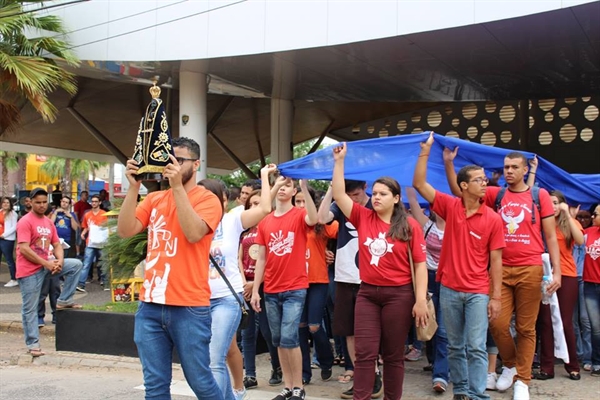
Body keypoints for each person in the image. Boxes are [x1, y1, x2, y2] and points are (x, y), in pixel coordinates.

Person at [444, 148, 560, 400]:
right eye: (506, 167)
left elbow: (551, 236)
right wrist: (449, 164)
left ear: (525, 170)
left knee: (526, 328)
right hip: (500, 268)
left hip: (530, 268)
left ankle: (523, 381)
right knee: (496, 323)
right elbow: (458, 191)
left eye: (514, 167)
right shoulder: (496, 194)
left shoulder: (539, 196)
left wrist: (557, 272)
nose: (509, 171)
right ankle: (510, 364)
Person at [117, 137, 224, 399]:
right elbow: (125, 230)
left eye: (179, 160)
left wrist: (177, 188)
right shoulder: (154, 199)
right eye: (168, 160)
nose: (171, 165)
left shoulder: (208, 199)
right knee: (154, 386)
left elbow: (193, 233)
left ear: (196, 164)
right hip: (150, 305)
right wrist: (133, 189)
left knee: (199, 381)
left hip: (188, 306)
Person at [330, 142, 429, 400]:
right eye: (374, 193)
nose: (376, 197)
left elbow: (420, 265)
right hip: (367, 294)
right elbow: (340, 196)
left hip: (399, 295)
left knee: (394, 355)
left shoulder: (409, 226)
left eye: (383, 194)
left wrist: (420, 300)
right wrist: (339, 162)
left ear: (396, 198)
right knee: (364, 353)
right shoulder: (363, 217)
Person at [414, 133, 505, 400]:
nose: (484, 183)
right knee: (454, 345)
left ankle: (477, 395)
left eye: (485, 180)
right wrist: (425, 151)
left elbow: (497, 261)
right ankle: (462, 392)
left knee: (475, 347)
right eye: (478, 180)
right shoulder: (450, 206)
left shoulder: (493, 219)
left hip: (478, 291)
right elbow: (419, 183)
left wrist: (496, 297)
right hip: (450, 289)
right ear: (463, 186)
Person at [200, 164, 278, 400]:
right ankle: (235, 393)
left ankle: (235, 390)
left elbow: (265, 207)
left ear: (224, 200)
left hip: (226, 298)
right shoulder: (192, 224)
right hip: (198, 300)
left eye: (212, 198)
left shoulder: (232, 219)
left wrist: (265, 177)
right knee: (220, 353)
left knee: (215, 357)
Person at [250, 177, 319, 400]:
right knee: (278, 339)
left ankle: (299, 385)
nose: (282, 189)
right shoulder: (264, 221)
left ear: (293, 190)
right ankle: (288, 386)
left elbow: (314, 218)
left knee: (290, 337)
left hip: (295, 287)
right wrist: (255, 291)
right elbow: (261, 258)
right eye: (279, 185)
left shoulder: (299, 215)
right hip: (270, 289)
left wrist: (306, 189)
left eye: (288, 185)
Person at [318, 180, 383, 399]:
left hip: (372, 276)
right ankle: (363, 377)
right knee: (348, 331)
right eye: (347, 195)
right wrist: (331, 192)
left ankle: (373, 374)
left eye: (355, 194)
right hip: (345, 275)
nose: (352, 199)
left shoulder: (377, 204)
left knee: (369, 332)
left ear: (365, 187)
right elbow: (321, 218)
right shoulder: (340, 205)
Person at [16, 187, 83, 357]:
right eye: (37, 202)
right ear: (30, 202)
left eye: (44, 202)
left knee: (75, 265)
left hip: (47, 265)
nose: (41, 205)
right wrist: (47, 263)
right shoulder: (25, 221)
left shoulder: (48, 222)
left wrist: (59, 261)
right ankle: (33, 344)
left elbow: (57, 244)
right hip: (29, 271)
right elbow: (23, 249)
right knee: (30, 308)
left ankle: (64, 300)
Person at [534, 190, 584, 381]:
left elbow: (580, 240)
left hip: (567, 275)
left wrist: (569, 215)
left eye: (556, 203)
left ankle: (573, 365)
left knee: (564, 322)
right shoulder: (540, 222)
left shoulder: (567, 223)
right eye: (550, 203)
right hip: (543, 276)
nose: (553, 206)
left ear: (562, 204)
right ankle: (547, 368)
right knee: (545, 322)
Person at [406, 187, 450, 393]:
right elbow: (413, 203)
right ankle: (434, 361)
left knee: (442, 329)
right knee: (427, 323)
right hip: (428, 278)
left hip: (448, 279)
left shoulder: (456, 226)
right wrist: (408, 183)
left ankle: (440, 375)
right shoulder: (427, 226)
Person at [240, 189, 283, 390]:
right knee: (247, 333)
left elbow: (271, 260)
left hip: (266, 286)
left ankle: (277, 367)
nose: (255, 207)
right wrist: (244, 283)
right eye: (252, 204)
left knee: (268, 331)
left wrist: (255, 285)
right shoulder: (242, 230)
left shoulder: (270, 227)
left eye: (260, 203)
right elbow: (237, 258)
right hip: (245, 286)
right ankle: (250, 374)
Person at [295, 187, 337, 385]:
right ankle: (304, 372)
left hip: (318, 281)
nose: (302, 206)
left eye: (305, 201)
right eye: (298, 201)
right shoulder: (291, 223)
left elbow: (341, 233)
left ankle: (326, 360)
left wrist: (332, 255)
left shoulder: (321, 223)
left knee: (314, 326)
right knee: (300, 328)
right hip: (295, 282)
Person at [574, 207, 593, 371]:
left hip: (586, 279)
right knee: (572, 320)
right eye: (579, 217)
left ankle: (588, 354)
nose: (583, 220)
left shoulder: (592, 235)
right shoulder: (574, 233)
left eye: (587, 217)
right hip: (571, 277)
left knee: (586, 320)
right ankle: (580, 353)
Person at [583, 203, 600, 377]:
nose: (593, 217)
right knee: (595, 327)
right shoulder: (588, 233)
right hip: (589, 286)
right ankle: (597, 362)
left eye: (596, 214)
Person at [78, 194, 108, 291]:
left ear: (100, 203)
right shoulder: (87, 214)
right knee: (86, 263)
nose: (94, 203)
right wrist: (83, 233)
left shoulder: (104, 214)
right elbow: (86, 227)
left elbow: (107, 227)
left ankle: (105, 282)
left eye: (96, 201)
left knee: (103, 262)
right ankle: (81, 284)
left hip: (101, 242)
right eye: (92, 201)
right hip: (90, 242)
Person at [1, 197, 19, 287]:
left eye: (7, 203)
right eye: (4, 202)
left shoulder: (13, 214)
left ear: (10, 204)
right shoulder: (0, 212)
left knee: (9, 259)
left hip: (7, 239)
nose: (5, 204)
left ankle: (14, 278)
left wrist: (4, 235)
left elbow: (14, 227)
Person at [73, 191, 92, 258]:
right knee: (78, 238)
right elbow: (75, 214)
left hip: (87, 225)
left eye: (87, 195)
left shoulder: (89, 205)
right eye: (85, 195)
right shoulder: (77, 204)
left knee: (85, 238)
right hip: (80, 223)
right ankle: (78, 253)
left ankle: (84, 252)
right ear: (82, 196)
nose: (87, 196)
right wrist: (78, 224)